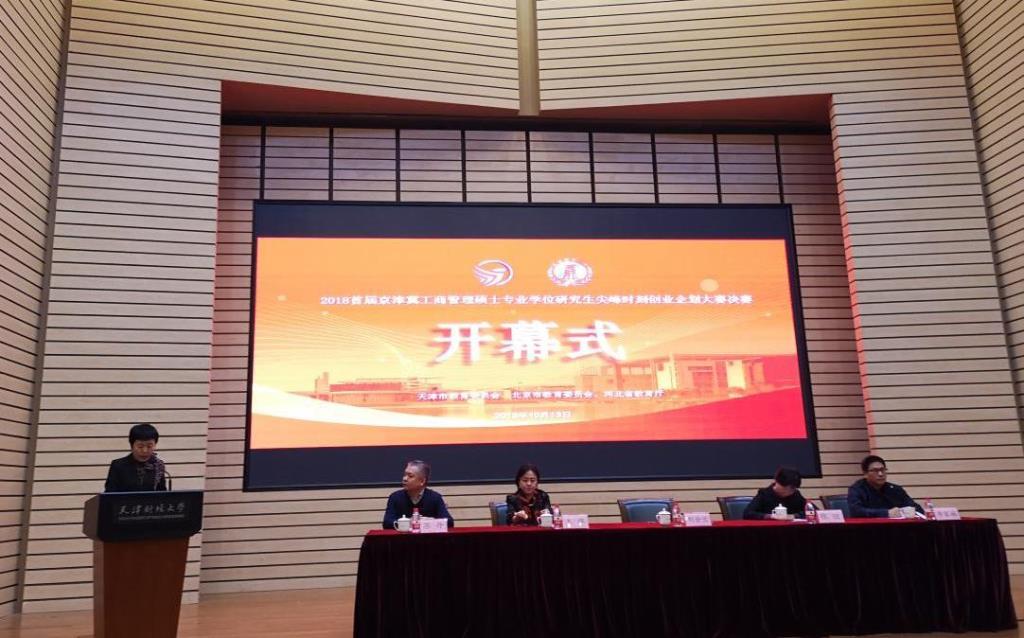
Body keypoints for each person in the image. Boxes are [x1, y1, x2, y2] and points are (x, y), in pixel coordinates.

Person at [382, 460, 454, 529]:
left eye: (410, 476)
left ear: (422, 481)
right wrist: (408, 522)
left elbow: (450, 522)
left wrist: (429, 521)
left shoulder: (435, 497)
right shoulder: (395, 497)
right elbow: (387, 523)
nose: (404, 479)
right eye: (404, 475)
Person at [847, 455, 922, 518]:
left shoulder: (895, 489)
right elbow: (856, 511)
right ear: (865, 474)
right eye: (875, 470)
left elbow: (916, 508)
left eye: (882, 470)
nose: (880, 474)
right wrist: (886, 513)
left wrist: (909, 511)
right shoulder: (857, 489)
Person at [104, 423, 168, 492]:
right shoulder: (118, 466)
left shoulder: (158, 465)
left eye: (149, 446)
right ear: (132, 445)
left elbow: (162, 493)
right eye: (140, 446)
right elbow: (109, 494)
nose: (145, 450)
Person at [743, 466, 807, 520]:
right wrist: (770, 516)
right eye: (784, 489)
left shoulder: (796, 495)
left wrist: (793, 516)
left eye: (792, 489)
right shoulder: (764, 494)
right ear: (776, 482)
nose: (788, 492)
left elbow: (811, 512)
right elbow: (747, 514)